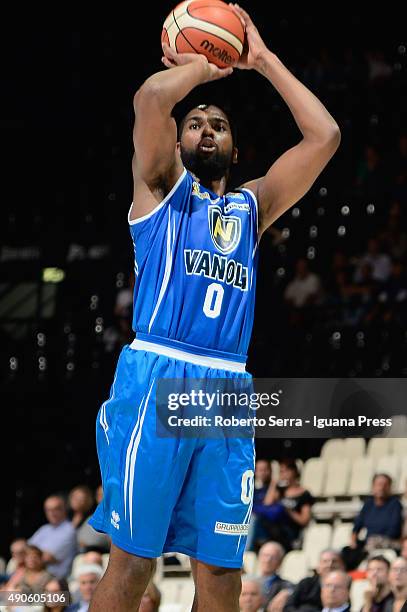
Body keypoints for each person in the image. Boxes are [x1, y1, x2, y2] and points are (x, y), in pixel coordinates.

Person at [88, 4, 340, 610]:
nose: (206, 128)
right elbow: (151, 98)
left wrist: (264, 61)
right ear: (177, 142)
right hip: (157, 373)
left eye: (218, 124)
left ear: (234, 145)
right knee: (133, 564)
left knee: (223, 575)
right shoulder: (159, 189)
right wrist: (206, 67)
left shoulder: (253, 210)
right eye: (195, 123)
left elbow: (325, 136)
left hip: (228, 389)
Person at [343, 474, 403, 570]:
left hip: (389, 542)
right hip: (369, 542)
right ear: (373, 486)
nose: (381, 488)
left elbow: (394, 530)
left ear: (389, 487)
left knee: (371, 543)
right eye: (379, 484)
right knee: (346, 551)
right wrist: (353, 541)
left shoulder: (395, 504)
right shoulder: (368, 504)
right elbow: (357, 525)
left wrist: (378, 540)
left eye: (385, 485)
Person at [263, 460, 314, 551]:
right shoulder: (281, 491)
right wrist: (274, 483)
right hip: (275, 528)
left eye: (285, 471)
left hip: (291, 530)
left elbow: (304, 520)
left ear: (294, 471)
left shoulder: (304, 494)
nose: (283, 475)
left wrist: (289, 511)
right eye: (281, 472)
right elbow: (267, 504)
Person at [28, 495, 77, 579]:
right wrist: (34, 555)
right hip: (36, 574)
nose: (52, 513)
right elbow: (27, 550)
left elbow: (47, 557)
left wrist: (33, 555)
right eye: (48, 510)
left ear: (64, 509)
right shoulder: (44, 529)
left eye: (56, 509)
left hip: (54, 578)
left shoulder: (70, 530)